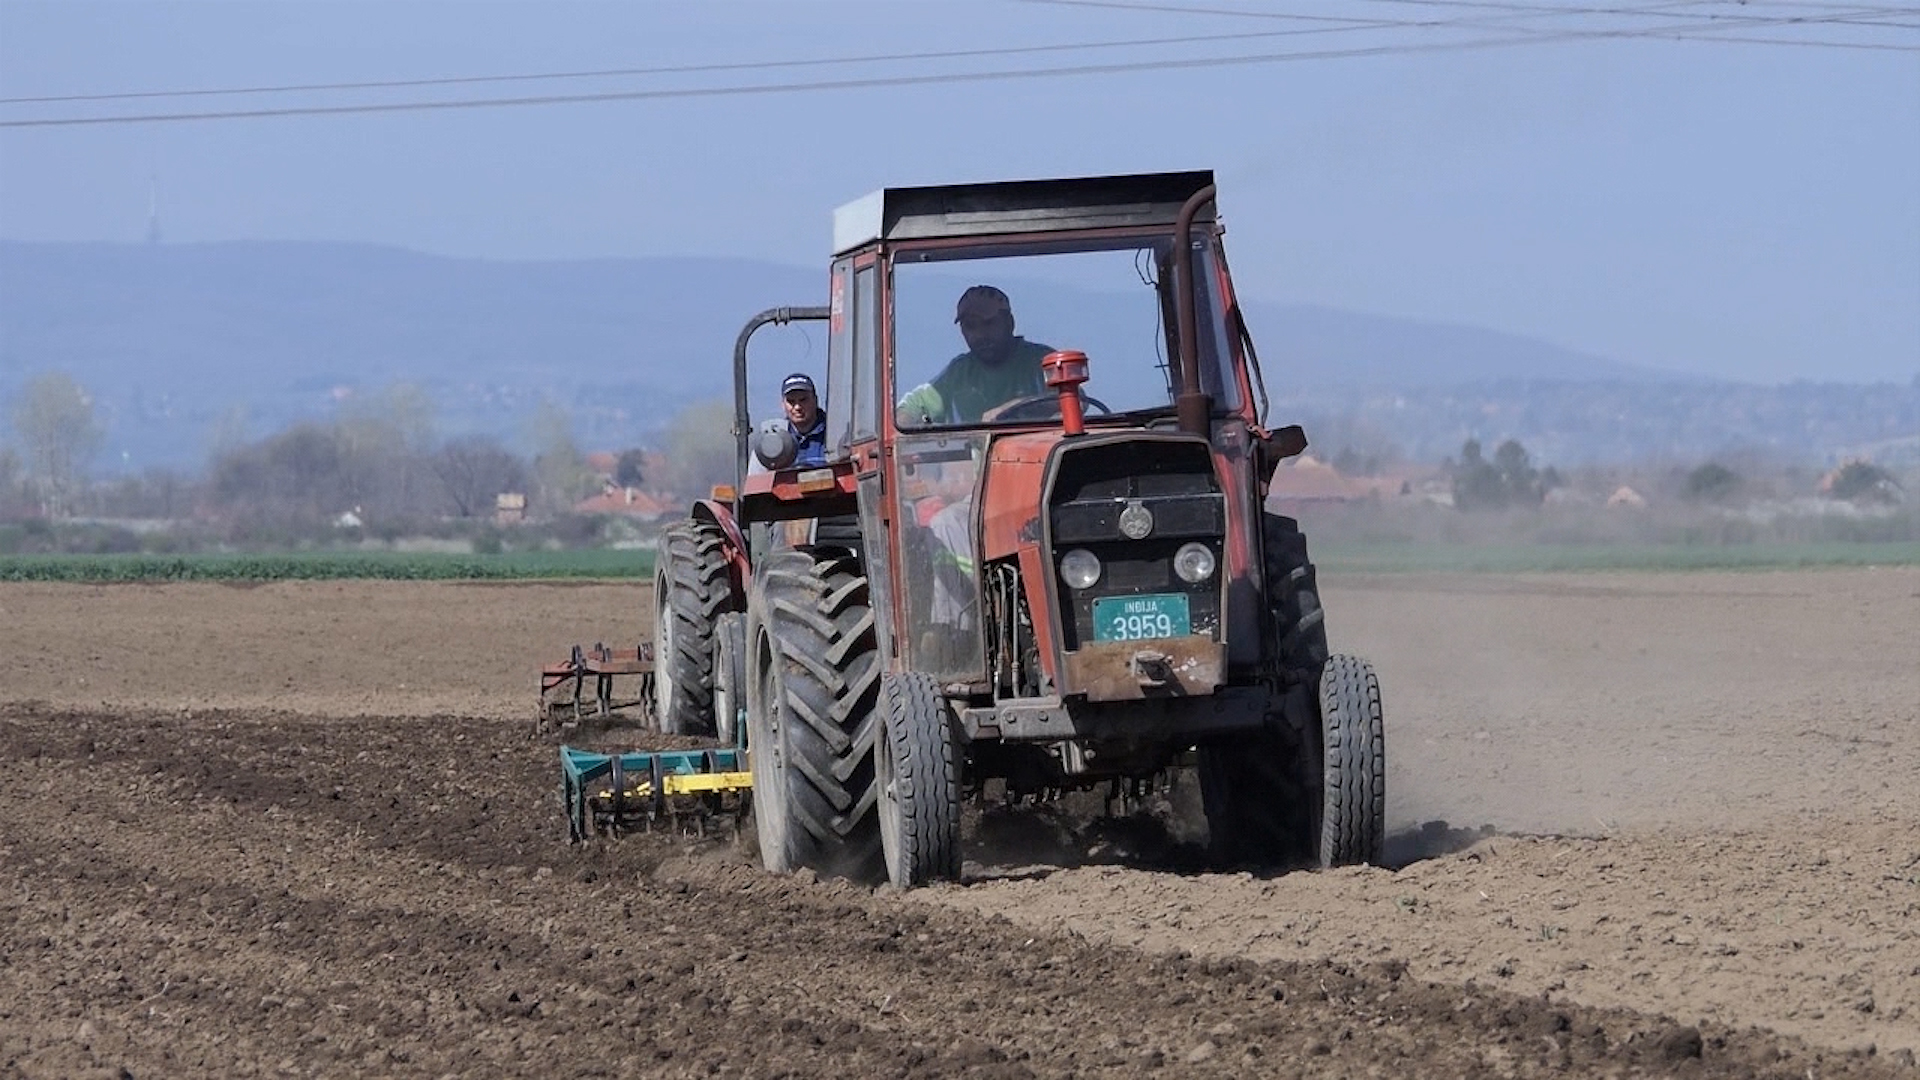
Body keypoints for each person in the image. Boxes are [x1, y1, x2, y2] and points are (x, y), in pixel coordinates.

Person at [896, 285, 1055, 426]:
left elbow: (1073, 402)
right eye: (971, 327)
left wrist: (1011, 410)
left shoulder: (1042, 361)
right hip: (975, 459)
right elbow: (911, 408)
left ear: (1009, 323)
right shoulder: (959, 373)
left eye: (988, 324)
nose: (980, 335)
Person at [781, 372, 829, 467]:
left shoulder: (837, 436)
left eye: (803, 400)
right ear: (782, 404)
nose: (797, 407)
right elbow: (756, 479)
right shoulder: (772, 443)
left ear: (815, 400)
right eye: (791, 401)